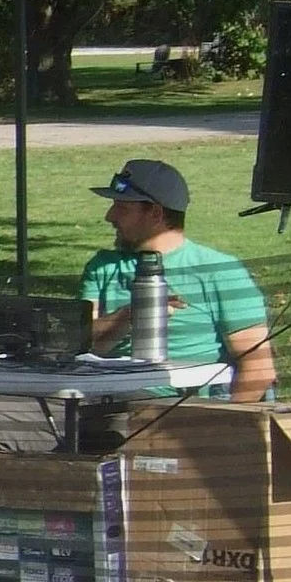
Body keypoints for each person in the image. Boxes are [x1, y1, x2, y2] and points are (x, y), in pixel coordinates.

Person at [80, 159, 274, 401]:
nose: (109, 216)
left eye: (122, 207)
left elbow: (258, 369)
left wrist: (227, 426)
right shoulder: (103, 266)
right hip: (101, 400)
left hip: (184, 410)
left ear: (155, 213)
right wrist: (129, 315)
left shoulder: (218, 270)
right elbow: (81, 345)